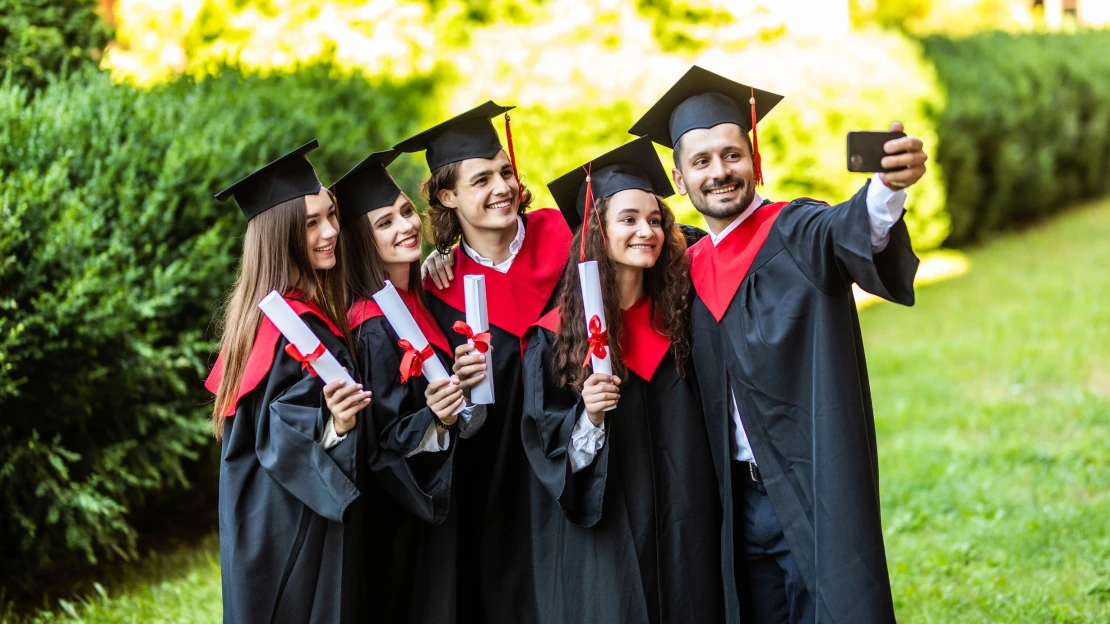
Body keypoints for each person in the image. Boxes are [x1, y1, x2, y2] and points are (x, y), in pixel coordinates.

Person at [629, 65, 928, 623]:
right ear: (679, 176)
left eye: (731, 154)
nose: (719, 172)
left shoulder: (796, 232)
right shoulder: (686, 269)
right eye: (701, 161)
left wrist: (886, 189)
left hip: (811, 493)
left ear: (754, 158)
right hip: (732, 507)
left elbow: (849, 225)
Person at [521, 136, 723, 623]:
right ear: (598, 232)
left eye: (655, 220)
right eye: (628, 219)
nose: (646, 231)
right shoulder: (554, 339)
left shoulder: (682, 316)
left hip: (688, 528)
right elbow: (546, 454)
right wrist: (587, 415)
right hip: (609, 542)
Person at [392, 102, 571, 623]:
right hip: (492, 486)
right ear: (448, 196)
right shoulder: (436, 289)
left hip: (572, 468)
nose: (502, 187)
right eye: (482, 179)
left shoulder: (566, 237)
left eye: (506, 172)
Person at [205, 140, 364, 623]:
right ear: (280, 235)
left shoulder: (261, 318)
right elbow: (282, 434)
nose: (331, 231)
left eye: (331, 216)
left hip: (258, 525)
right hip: (291, 528)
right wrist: (336, 425)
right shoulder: (294, 327)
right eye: (311, 222)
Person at [326, 149, 477, 622]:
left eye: (406, 212)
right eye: (384, 223)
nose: (405, 227)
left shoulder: (417, 300)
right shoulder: (372, 324)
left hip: (434, 510)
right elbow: (381, 444)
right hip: (403, 520)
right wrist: (434, 416)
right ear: (362, 243)